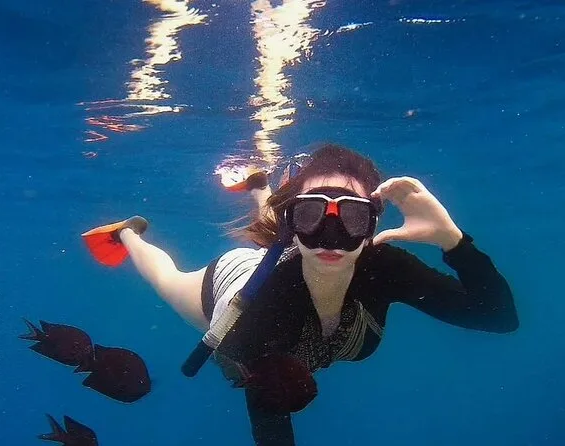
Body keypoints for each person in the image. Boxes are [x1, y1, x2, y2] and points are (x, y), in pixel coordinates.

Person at [82, 143, 519, 445]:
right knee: (166, 279)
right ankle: (128, 234)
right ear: (293, 221)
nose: (331, 237)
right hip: (234, 283)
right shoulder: (259, 310)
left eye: (351, 218)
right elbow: (270, 419)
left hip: (286, 255)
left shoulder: (384, 265)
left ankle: (261, 188)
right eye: (310, 214)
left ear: (372, 225)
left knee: (284, 233)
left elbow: (498, 317)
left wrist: (453, 241)